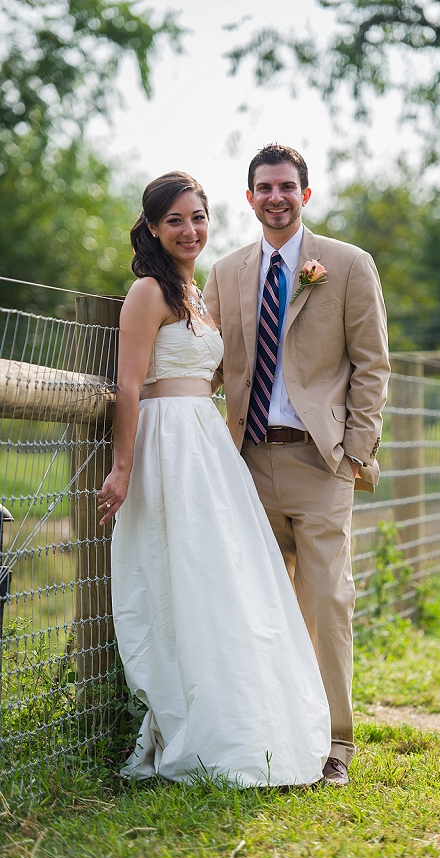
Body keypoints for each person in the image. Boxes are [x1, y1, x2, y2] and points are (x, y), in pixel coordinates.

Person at [97, 171, 330, 786]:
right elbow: (128, 384)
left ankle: (246, 717)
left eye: (197, 217)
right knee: (185, 576)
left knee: (226, 576)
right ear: (152, 227)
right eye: (174, 220)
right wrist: (122, 468)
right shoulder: (148, 292)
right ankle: (192, 720)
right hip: (167, 442)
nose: (189, 230)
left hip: (207, 443)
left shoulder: (195, 294)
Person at [203, 145, 390, 786]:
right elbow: (206, 367)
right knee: (254, 601)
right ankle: (269, 731)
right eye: (264, 187)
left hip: (320, 460)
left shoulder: (347, 265)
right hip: (244, 462)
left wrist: (356, 453)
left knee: (329, 598)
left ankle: (336, 744)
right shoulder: (225, 273)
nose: (276, 197)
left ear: (304, 195)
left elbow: (373, 364)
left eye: (287, 186)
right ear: (249, 197)